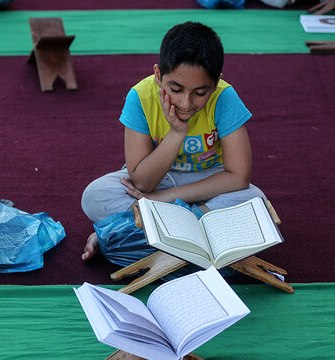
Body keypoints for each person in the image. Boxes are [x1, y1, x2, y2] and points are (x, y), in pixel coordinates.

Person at [81, 22, 266, 261]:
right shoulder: (140, 96)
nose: (186, 103)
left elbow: (239, 178)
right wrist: (177, 133)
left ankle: (126, 231)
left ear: (217, 81)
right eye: (176, 89)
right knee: (95, 195)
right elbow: (142, 182)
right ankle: (189, 232)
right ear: (158, 75)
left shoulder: (224, 97)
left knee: (256, 201)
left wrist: (166, 198)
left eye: (200, 93)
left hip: (208, 181)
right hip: (157, 180)